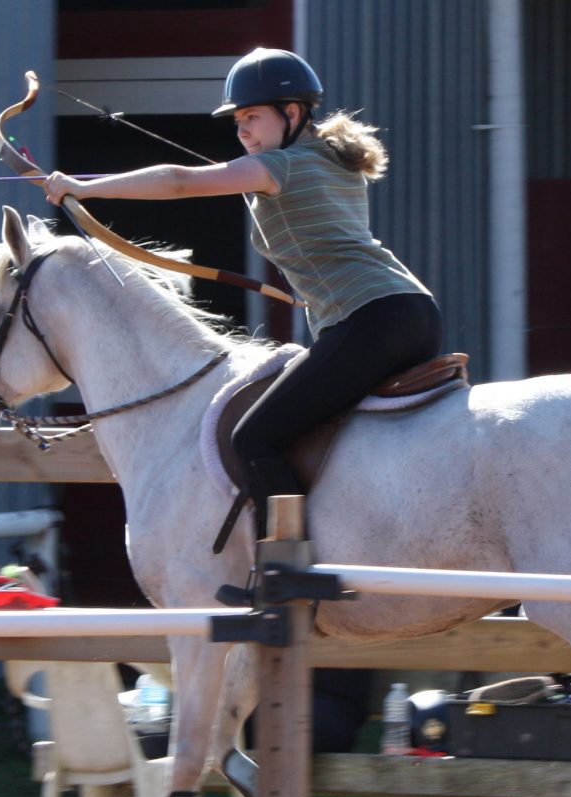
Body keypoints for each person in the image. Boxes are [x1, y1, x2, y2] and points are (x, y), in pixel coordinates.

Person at [45, 47, 442, 539]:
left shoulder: (284, 165)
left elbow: (179, 183)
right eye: (237, 121)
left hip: (370, 319)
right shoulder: (330, 159)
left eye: (252, 116)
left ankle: (287, 567)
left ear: (292, 113)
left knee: (253, 436)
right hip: (413, 312)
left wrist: (81, 188)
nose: (243, 131)